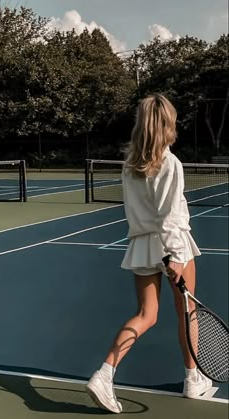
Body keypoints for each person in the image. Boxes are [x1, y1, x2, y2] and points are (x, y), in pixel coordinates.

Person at [86, 94, 212, 413]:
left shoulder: (131, 166)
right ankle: (192, 380)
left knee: (146, 315)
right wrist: (175, 257)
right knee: (188, 313)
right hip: (174, 244)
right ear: (167, 123)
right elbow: (169, 216)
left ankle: (105, 373)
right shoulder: (171, 164)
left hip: (142, 244)